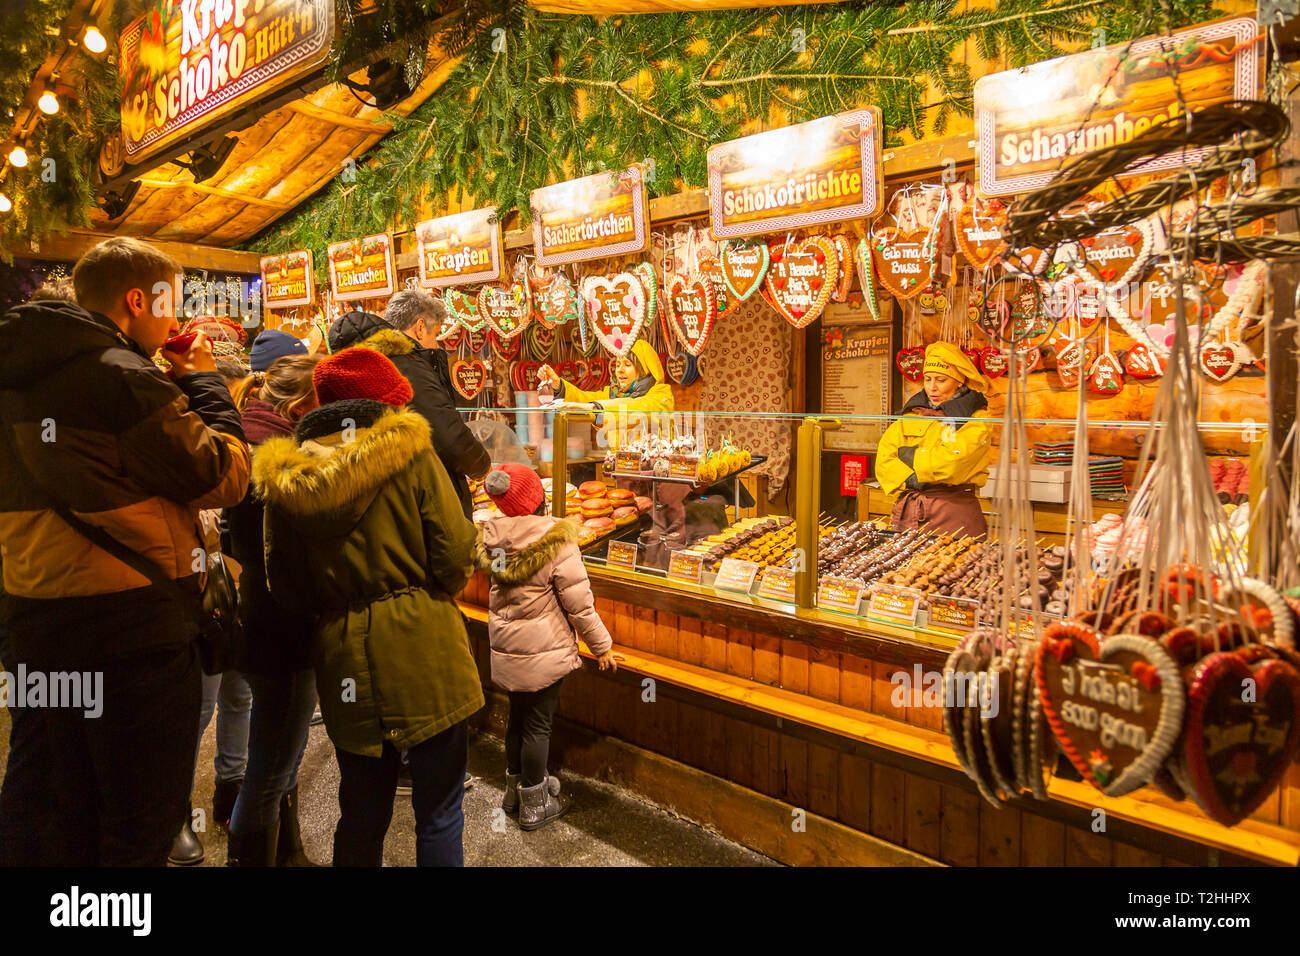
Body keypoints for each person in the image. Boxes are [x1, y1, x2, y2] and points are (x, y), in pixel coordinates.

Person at [0, 236, 250, 866]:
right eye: (172, 301)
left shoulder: (16, 372)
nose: (176, 317)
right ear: (138, 298)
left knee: (53, 805)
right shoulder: (120, 376)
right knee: (137, 819)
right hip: (132, 632)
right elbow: (224, 475)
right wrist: (204, 383)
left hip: (34, 617)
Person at [255, 347, 483, 866]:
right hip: (425, 644)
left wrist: (337, 606)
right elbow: (453, 551)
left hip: (343, 656)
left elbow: (285, 585)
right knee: (440, 810)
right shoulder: (412, 456)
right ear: (385, 405)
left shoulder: (287, 478)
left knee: (360, 811)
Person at [474, 464, 616, 830]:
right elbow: (579, 605)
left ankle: (513, 791)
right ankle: (536, 803)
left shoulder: (495, 538)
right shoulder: (555, 541)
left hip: (508, 651)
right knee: (538, 725)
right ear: (539, 498)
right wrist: (601, 647)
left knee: (517, 722)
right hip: (543, 653)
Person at [225, 354, 322, 866]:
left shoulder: (249, 439)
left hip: (261, 621)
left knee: (281, 757)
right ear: (303, 403)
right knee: (269, 771)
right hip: (281, 629)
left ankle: (288, 851)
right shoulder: (277, 459)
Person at [328, 292, 490, 517]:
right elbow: (447, 436)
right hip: (424, 501)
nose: (437, 344)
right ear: (421, 327)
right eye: (436, 334)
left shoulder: (349, 369)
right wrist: (481, 465)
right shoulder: (407, 365)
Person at [875, 341, 992, 538]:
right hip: (908, 510)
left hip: (954, 511)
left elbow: (953, 462)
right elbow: (884, 459)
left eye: (941, 380)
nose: (932, 387)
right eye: (928, 379)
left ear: (959, 381)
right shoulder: (913, 414)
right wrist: (920, 475)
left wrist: (908, 455)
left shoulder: (976, 417)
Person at [538, 338, 673, 451]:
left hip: (655, 473)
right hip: (621, 469)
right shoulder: (615, 394)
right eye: (618, 364)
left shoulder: (661, 395)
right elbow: (586, 399)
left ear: (645, 369)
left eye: (627, 364)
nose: (619, 370)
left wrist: (595, 408)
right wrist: (557, 385)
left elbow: (640, 407)